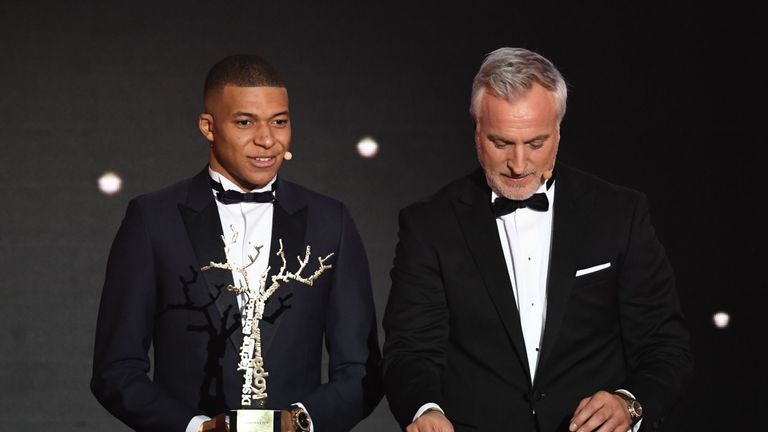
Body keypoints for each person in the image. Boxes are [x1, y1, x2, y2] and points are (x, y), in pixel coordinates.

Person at [382, 47, 692, 432]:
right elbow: (410, 350)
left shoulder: (619, 213)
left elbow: (665, 346)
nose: (518, 164)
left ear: (559, 131)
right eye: (501, 143)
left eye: (535, 143)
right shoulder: (428, 224)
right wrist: (425, 409)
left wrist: (629, 404)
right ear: (476, 130)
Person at [91, 54, 382, 432]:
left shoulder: (331, 221)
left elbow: (361, 370)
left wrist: (300, 422)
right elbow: (116, 370)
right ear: (208, 127)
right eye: (245, 122)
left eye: (280, 122)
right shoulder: (152, 219)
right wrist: (196, 429)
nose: (267, 139)